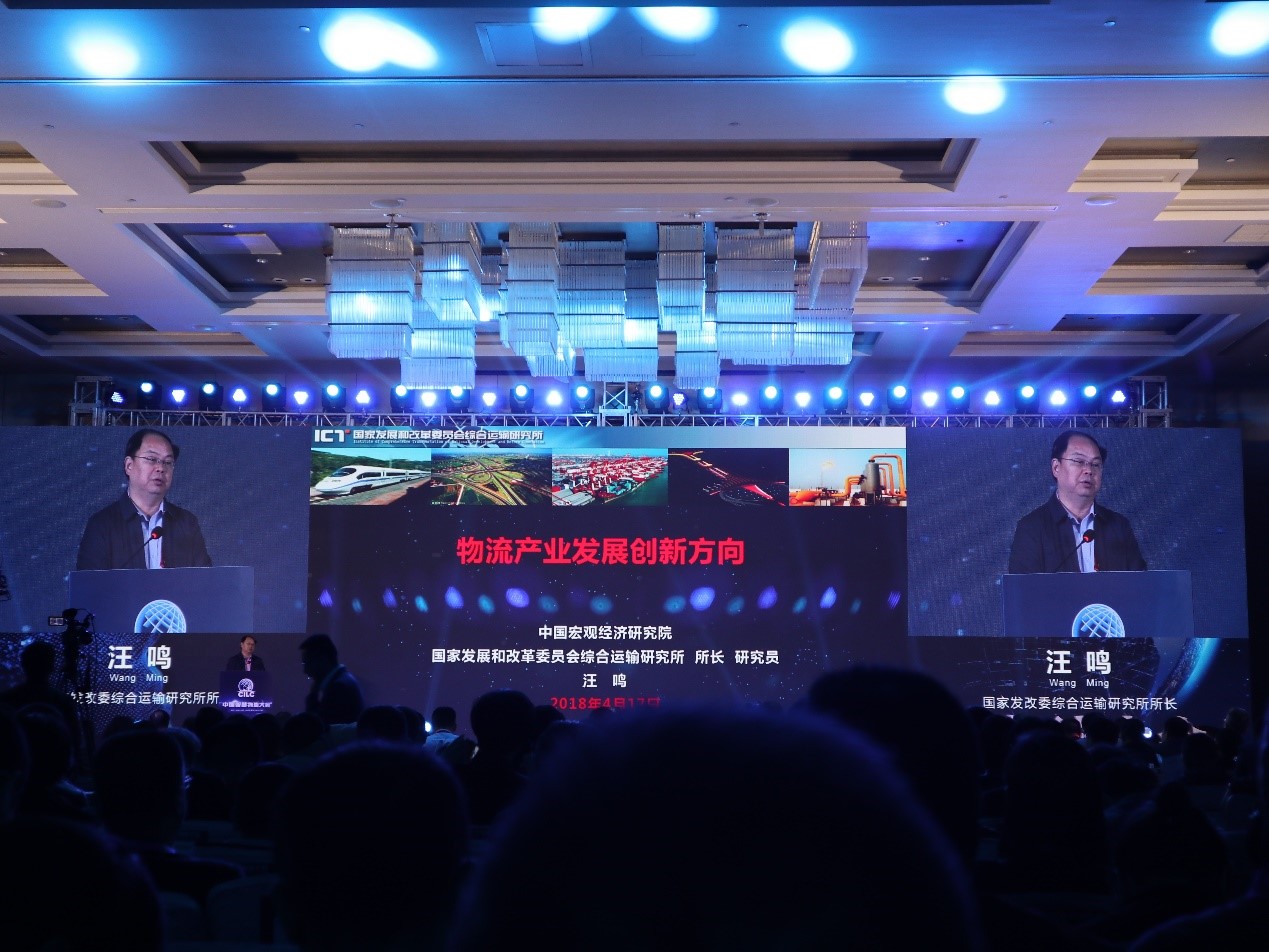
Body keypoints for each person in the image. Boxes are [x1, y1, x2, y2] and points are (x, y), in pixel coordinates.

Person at [1008, 430, 1145, 574]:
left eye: (1096, 464)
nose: (1089, 470)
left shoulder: (1119, 526)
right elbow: (1023, 587)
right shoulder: (1032, 528)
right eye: (1079, 461)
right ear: (1056, 467)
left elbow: (1139, 583)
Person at [76, 427, 211, 570]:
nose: (161, 468)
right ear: (129, 465)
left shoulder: (186, 523)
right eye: (151, 459)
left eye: (168, 462)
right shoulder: (102, 524)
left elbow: (204, 579)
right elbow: (89, 582)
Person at [299, 633, 364, 725]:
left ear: (323, 659)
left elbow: (314, 728)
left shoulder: (339, 688)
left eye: (308, 663)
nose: (305, 670)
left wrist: (313, 695)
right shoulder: (344, 682)